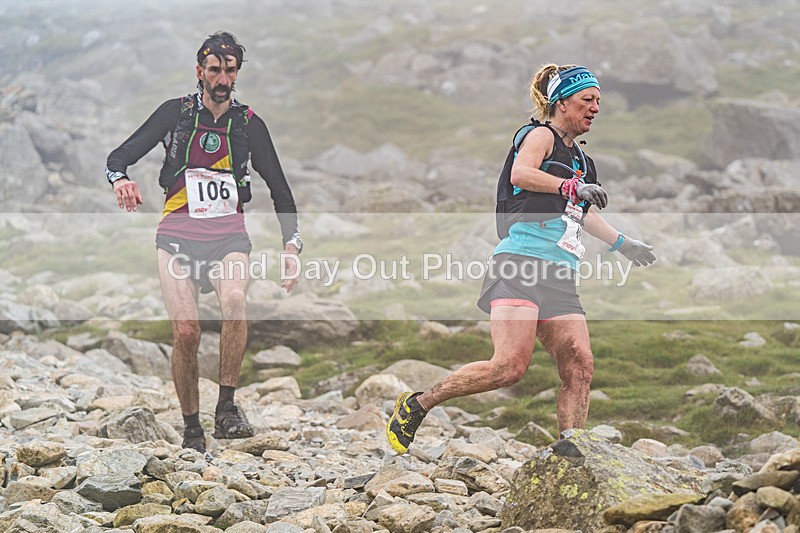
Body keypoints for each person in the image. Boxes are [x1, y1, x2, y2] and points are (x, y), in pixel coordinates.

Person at [386, 64, 656, 455]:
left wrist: (623, 244)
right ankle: (417, 404)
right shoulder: (539, 135)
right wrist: (571, 186)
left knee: (580, 366)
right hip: (519, 265)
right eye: (587, 100)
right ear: (562, 102)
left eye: (598, 101)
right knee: (508, 368)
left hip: (560, 275)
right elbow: (522, 173)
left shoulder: (583, 160)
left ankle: (572, 453)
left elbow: (583, 211)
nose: (596, 107)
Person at [105, 31, 302, 453]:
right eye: (215, 70)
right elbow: (118, 156)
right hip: (176, 236)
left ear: (236, 73)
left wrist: (291, 246)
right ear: (200, 71)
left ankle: (226, 408)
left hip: (228, 237)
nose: (223, 78)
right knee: (187, 332)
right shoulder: (174, 114)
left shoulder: (248, 125)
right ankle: (192, 430)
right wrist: (121, 179)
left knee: (234, 302)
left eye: (230, 70)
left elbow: (281, 191)